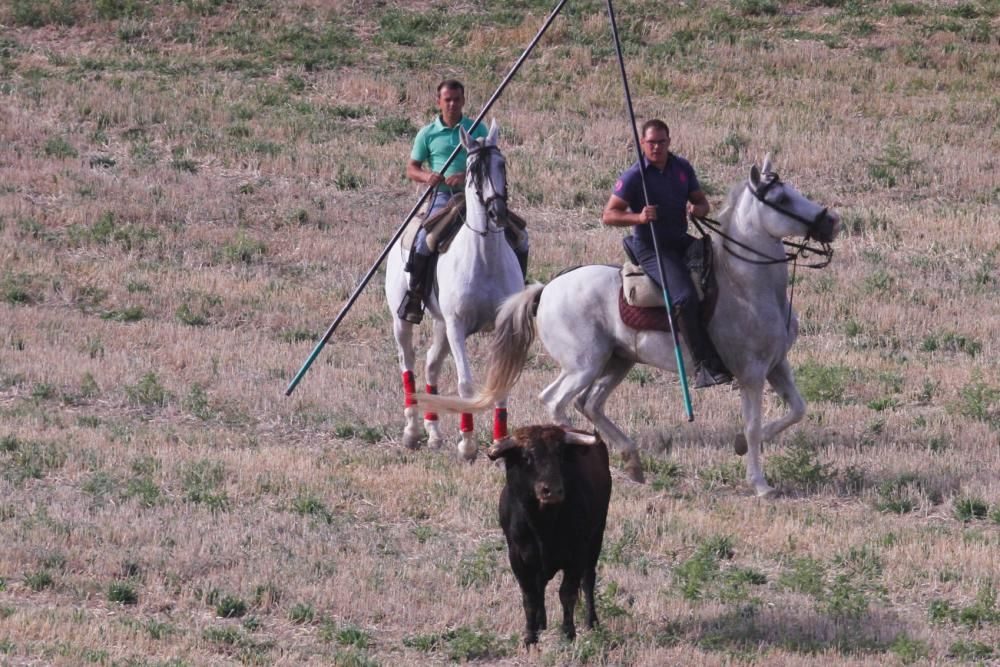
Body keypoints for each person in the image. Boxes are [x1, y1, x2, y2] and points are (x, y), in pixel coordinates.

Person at [601, 119, 732, 388]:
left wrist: (699, 210)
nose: (657, 147)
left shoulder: (682, 168)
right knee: (683, 296)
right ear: (642, 144)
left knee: (722, 272)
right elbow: (609, 215)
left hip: (680, 240)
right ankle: (704, 366)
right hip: (651, 247)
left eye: (661, 142)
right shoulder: (634, 176)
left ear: (669, 141)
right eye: (651, 143)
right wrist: (638, 217)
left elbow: (702, 202)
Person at [398, 79, 529, 324]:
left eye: (457, 99)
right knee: (423, 242)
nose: (452, 104)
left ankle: (520, 289)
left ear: (463, 101)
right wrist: (429, 177)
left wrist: (467, 175)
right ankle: (415, 295)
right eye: (447, 100)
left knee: (520, 237)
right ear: (439, 102)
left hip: (477, 196)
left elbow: (488, 160)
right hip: (443, 197)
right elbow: (411, 169)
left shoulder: (476, 129)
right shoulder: (427, 134)